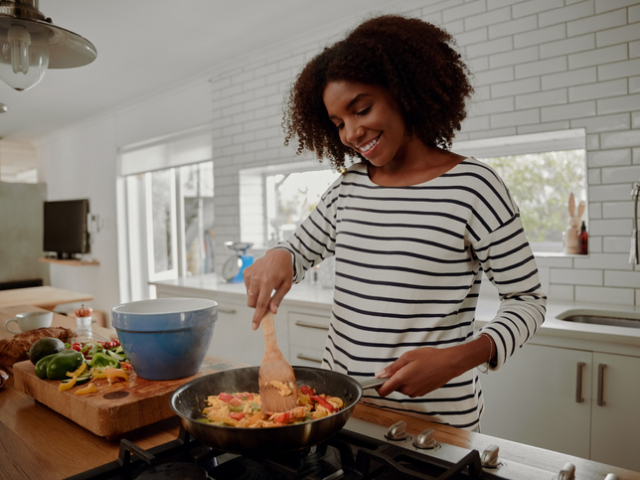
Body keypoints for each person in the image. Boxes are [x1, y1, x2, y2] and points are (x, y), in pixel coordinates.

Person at [243, 14, 547, 430]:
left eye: (361, 108)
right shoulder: (349, 187)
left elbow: (527, 299)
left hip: (437, 423)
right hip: (343, 412)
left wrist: (458, 358)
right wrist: (280, 254)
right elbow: (298, 251)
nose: (350, 133)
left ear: (404, 91)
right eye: (338, 124)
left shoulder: (475, 187)